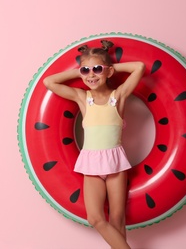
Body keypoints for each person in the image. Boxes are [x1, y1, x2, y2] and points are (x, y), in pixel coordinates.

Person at [43, 40, 145, 249]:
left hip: (115, 163)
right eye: (86, 71)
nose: (91, 75)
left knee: (117, 219)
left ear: (108, 72)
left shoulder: (118, 96)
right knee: (96, 219)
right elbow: (49, 82)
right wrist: (80, 72)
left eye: (97, 69)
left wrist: (110, 68)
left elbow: (139, 68)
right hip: (91, 165)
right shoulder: (83, 97)